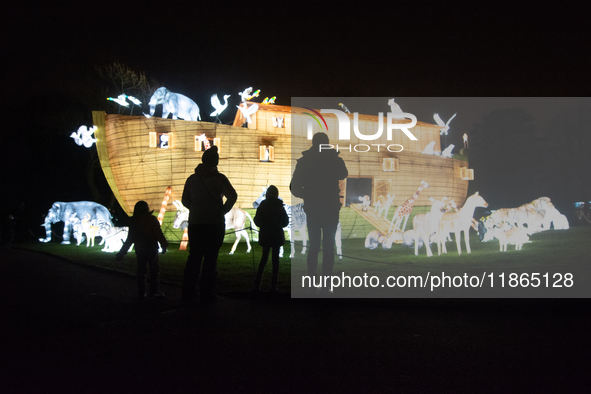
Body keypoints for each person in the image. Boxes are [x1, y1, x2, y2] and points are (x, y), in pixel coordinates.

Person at [290, 132, 348, 294]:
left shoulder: (305, 162)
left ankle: (312, 281)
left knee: (314, 245)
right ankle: (326, 283)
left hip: (313, 208)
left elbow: (294, 187)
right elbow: (343, 173)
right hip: (330, 208)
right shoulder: (334, 160)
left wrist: (308, 195)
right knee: (329, 245)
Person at [181, 146, 237, 306]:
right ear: (216, 162)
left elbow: (185, 200)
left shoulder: (192, 179)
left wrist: (197, 208)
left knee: (194, 257)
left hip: (196, 223)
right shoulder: (220, 179)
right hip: (214, 223)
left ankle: (188, 291)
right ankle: (207, 293)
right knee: (211, 259)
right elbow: (232, 195)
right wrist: (223, 210)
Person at [115, 201, 168, 300]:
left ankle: (141, 292)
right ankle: (154, 291)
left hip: (140, 249)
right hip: (152, 248)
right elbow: (158, 234)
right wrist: (164, 245)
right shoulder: (151, 220)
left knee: (141, 271)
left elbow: (130, 239)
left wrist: (122, 253)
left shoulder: (134, 221)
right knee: (154, 270)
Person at [253, 185, 289, 293]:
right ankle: (274, 286)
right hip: (277, 235)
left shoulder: (263, 205)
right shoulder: (280, 206)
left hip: (266, 235)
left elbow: (257, 221)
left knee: (264, 259)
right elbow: (285, 222)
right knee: (275, 261)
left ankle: (257, 285)